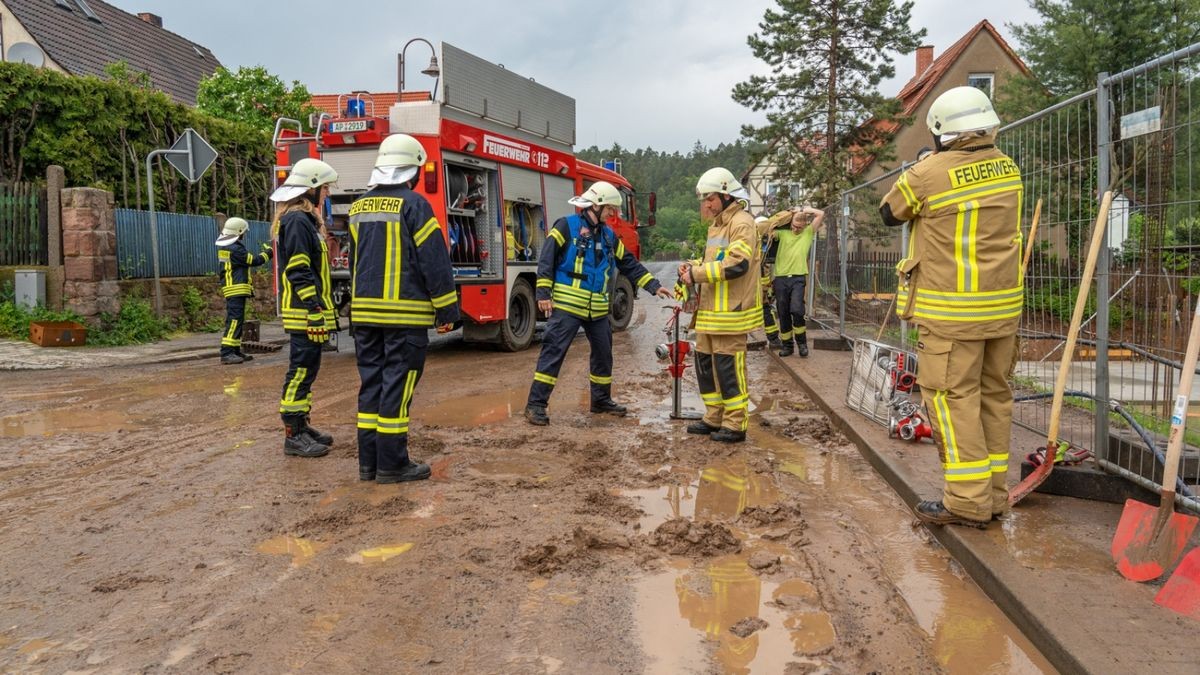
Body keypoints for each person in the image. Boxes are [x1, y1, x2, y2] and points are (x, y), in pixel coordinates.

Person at [879, 86, 1024, 528]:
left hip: (951, 314)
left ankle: (965, 501)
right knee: (994, 398)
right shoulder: (1008, 168)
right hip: (1002, 310)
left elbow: (889, 213)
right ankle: (994, 497)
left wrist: (921, 168)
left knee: (951, 400)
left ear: (941, 131)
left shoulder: (928, 173)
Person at [348, 134, 459, 483]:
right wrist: (447, 310)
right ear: (411, 172)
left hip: (364, 316)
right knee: (398, 386)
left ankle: (369, 464)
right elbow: (434, 260)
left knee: (372, 386)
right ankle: (393, 465)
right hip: (404, 317)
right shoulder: (414, 205)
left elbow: (355, 261)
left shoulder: (357, 207)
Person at [524, 181, 672, 426]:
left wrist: (654, 285)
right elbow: (546, 260)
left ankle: (601, 401)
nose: (613, 214)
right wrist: (542, 294)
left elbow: (629, 263)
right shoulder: (566, 226)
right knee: (553, 354)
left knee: (603, 355)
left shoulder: (608, 235)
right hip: (568, 308)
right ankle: (536, 405)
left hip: (598, 311)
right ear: (596, 205)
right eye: (610, 209)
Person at [679, 168, 761, 443]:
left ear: (726, 195)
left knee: (727, 368)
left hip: (731, 312)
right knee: (705, 366)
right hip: (710, 311)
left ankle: (735, 423)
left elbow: (738, 263)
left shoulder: (742, 222)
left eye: (710, 198)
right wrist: (692, 267)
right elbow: (715, 262)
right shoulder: (718, 224)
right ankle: (714, 416)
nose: (706, 204)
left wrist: (697, 274)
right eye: (704, 199)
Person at [271, 158, 340, 459]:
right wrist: (313, 307)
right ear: (310, 189)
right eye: (324, 188)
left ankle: (302, 424)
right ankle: (293, 435)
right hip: (303, 311)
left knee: (308, 369)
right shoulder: (298, 221)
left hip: (308, 310)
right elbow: (299, 269)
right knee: (299, 371)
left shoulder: (303, 220)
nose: (326, 194)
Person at [215, 217, 271, 365]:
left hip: (233, 289)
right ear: (238, 232)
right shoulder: (235, 248)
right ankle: (227, 353)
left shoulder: (226, 247)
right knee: (234, 321)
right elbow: (254, 260)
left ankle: (234, 350)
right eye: (243, 232)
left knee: (237, 321)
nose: (244, 235)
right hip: (236, 289)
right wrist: (269, 253)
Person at [770, 205, 825, 357]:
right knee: (783, 312)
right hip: (781, 278)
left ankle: (802, 344)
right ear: (790, 223)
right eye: (794, 226)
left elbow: (821, 213)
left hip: (798, 277)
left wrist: (807, 210)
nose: (796, 229)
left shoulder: (807, 233)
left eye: (800, 227)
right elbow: (767, 228)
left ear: (804, 226)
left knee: (797, 309)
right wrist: (788, 213)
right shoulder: (782, 233)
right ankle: (788, 346)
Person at [755, 211, 792, 351]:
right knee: (765, 311)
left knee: (765, 311)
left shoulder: (767, 243)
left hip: (761, 284)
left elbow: (767, 269)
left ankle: (774, 339)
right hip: (758, 285)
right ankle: (774, 339)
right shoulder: (762, 243)